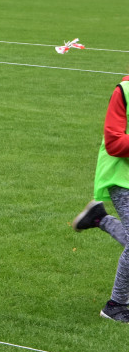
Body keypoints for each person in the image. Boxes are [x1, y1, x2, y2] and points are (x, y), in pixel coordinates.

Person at [72, 74, 129, 322]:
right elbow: (114, 143)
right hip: (121, 178)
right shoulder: (124, 92)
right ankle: (115, 305)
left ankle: (100, 219)